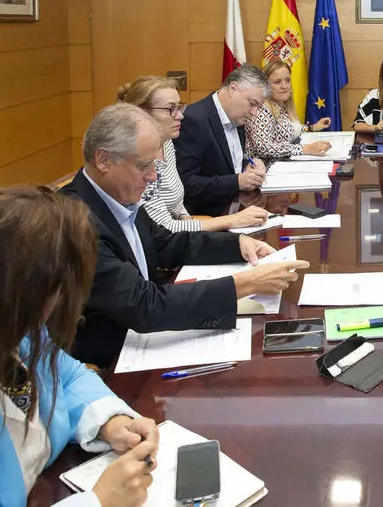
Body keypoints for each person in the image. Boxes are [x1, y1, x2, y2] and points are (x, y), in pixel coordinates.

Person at [0, 186, 159, 506]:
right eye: (55, 293)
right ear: (16, 295)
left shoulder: (14, 334)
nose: (56, 307)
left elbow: (66, 377)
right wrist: (98, 502)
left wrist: (112, 423)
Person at [61, 103, 310, 367]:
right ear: (103, 160)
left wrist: (238, 244)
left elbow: (168, 242)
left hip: (145, 340)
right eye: (145, 166)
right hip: (112, 361)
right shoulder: (76, 220)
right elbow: (143, 305)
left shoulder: (118, 194)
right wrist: (245, 284)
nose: (154, 176)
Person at [117, 75, 271, 232]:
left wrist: (189, 221)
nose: (180, 115)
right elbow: (163, 227)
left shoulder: (167, 143)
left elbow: (178, 207)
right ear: (142, 112)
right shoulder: (136, 158)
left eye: (179, 107)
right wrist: (231, 220)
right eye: (171, 109)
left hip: (184, 233)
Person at [174, 65, 270, 217]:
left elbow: (227, 163)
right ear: (233, 88)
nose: (255, 113)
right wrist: (237, 182)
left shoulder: (237, 117)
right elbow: (184, 184)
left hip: (236, 210)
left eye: (258, 107)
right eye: (252, 103)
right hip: (206, 219)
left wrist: (250, 165)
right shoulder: (194, 120)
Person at [245, 60, 333, 168]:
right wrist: (305, 149)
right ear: (265, 86)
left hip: (283, 167)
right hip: (265, 173)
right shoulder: (262, 109)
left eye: (287, 81)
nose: (284, 86)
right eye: (277, 82)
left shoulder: (281, 107)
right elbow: (263, 148)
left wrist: (312, 127)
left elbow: (290, 132)